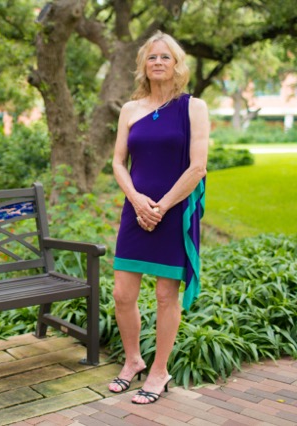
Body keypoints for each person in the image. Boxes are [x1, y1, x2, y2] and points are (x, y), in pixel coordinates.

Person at [107, 31, 209, 405]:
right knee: (122, 294)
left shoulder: (193, 108)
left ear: (177, 63)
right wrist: (137, 201)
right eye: (152, 57)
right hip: (136, 210)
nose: (159, 62)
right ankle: (133, 360)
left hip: (174, 210)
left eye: (166, 56)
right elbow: (118, 162)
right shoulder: (130, 110)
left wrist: (161, 206)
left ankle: (159, 371)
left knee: (166, 296)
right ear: (143, 65)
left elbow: (198, 167)